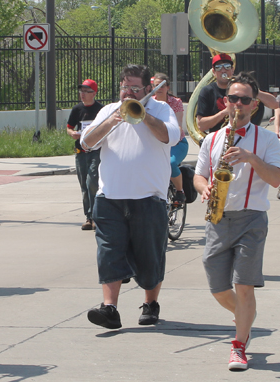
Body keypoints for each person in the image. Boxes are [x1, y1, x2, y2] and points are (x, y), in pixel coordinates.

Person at [194, 72, 280, 371]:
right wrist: (203, 186)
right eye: (233, 98)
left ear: (254, 105)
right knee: (218, 287)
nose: (238, 104)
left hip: (252, 219)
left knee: (244, 286)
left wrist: (251, 158)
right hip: (219, 218)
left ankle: (239, 345)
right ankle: (247, 316)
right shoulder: (212, 138)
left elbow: (277, 180)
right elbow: (199, 173)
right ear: (226, 101)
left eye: (245, 100)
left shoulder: (267, 139)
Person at [81, 64, 179, 329]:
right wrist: (112, 121)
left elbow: (171, 136)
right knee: (108, 253)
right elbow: (86, 142)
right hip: (109, 197)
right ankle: (109, 308)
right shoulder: (108, 111)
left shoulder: (161, 109)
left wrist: (144, 114)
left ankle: (150, 303)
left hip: (149, 197)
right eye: (125, 88)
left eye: (135, 88)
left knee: (150, 256)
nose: (129, 93)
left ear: (148, 88)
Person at [196, 54, 278, 133]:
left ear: (232, 70)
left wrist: (252, 90)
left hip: (248, 135)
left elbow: (275, 105)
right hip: (219, 138)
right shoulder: (207, 91)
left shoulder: (244, 88)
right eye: (218, 67)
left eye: (227, 66)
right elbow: (201, 126)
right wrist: (225, 112)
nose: (223, 70)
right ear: (214, 72)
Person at [66, 79, 103, 230]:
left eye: (86, 91)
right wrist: (72, 133)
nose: (82, 94)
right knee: (84, 185)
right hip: (80, 151)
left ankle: (96, 216)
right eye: (81, 91)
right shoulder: (77, 109)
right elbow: (68, 128)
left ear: (94, 93)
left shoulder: (101, 109)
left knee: (92, 182)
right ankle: (88, 218)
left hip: (96, 151)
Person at [152, 73, 188, 206]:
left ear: (167, 87)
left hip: (177, 143)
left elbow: (178, 125)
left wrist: (171, 133)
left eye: (162, 85)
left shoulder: (175, 102)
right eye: (156, 85)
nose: (159, 88)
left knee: (171, 162)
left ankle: (180, 191)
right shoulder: (151, 102)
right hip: (157, 143)